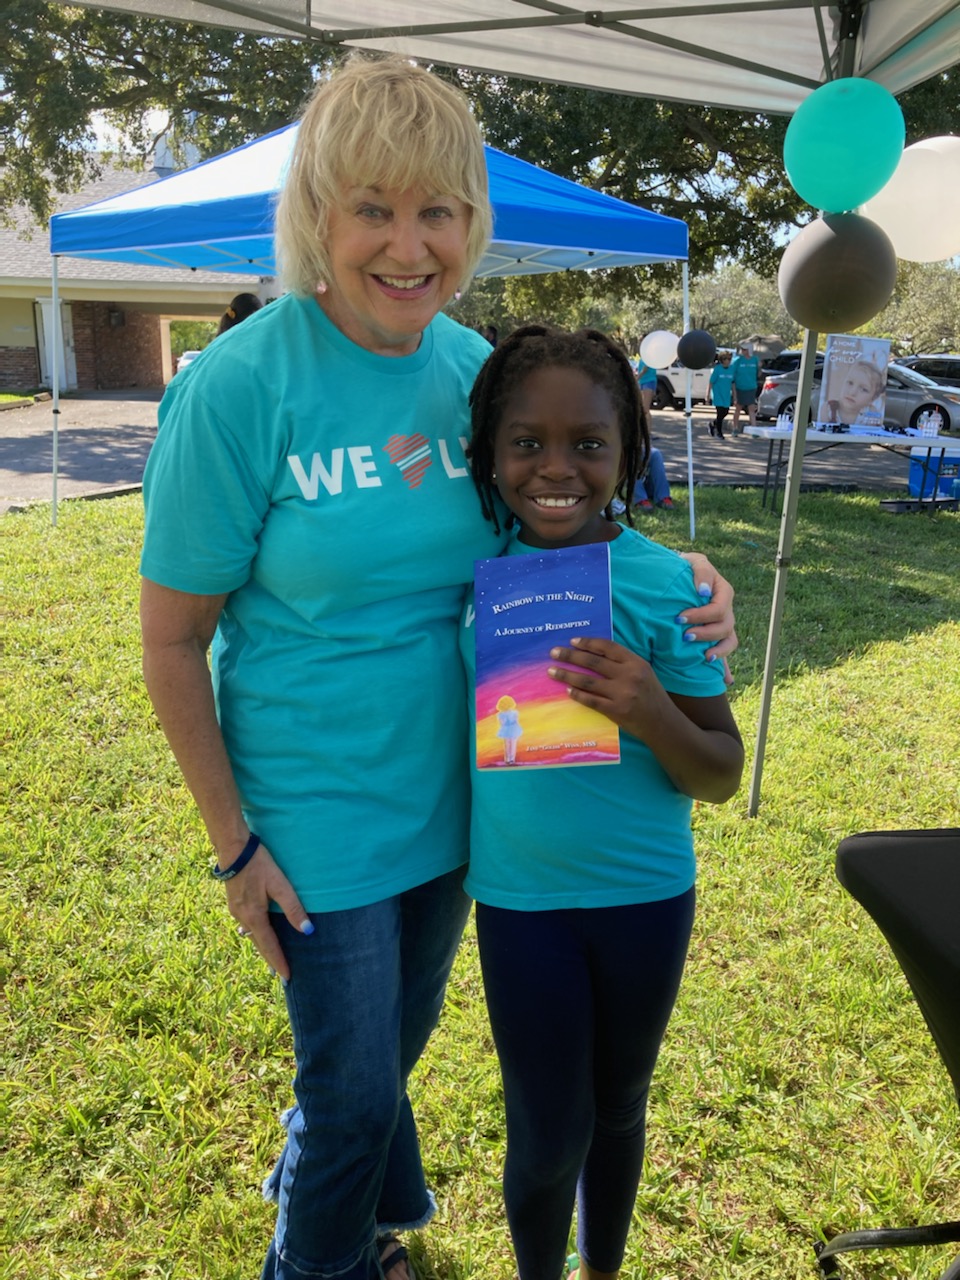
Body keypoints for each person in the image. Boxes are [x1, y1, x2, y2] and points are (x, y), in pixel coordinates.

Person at [138, 56, 738, 1280]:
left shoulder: (475, 370)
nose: (408, 245)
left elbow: (564, 501)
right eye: (373, 207)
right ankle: (326, 1254)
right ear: (318, 214)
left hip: (472, 801)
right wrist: (235, 844)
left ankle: (360, 1207)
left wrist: (690, 578)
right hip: (318, 812)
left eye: (438, 211)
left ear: (472, 222)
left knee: (384, 1060)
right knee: (352, 1086)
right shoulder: (238, 388)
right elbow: (170, 639)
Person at [462, 324, 744, 1280]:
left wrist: (653, 709)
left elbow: (719, 770)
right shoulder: (471, 575)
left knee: (619, 1103)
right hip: (520, 903)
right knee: (545, 1131)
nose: (556, 468)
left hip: (643, 898)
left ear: (627, 453)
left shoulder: (669, 586)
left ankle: (601, 1269)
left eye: (588, 444)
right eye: (526, 442)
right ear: (489, 453)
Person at [820, 359, 885, 426]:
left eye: (864, 389)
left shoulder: (871, 413)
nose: (852, 392)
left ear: (873, 398)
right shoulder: (828, 409)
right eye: (850, 383)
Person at [729, 341, 760, 435]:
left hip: (751, 387)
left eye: (745, 349)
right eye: (742, 349)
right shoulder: (737, 360)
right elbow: (732, 377)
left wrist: (760, 367)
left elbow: (758, 374)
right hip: (740, 388)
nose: (743, 351)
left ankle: (754, 429)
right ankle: (735, 428)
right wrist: (734, 394)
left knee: (751, 408)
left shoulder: (755, 359)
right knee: (738, 408)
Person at [708, 351, 734, 439]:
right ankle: (719, 433)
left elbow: (733, 383)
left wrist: (735, 396)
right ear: (722, 360)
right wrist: (707, 395)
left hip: (726, 395)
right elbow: (711, 382)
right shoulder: (717, 369)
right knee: (720, 413)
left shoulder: (731, 369)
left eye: (730, 359)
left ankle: (713, 424)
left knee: (725, 412)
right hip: (718, 395)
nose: (728, 361)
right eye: (726, 359)